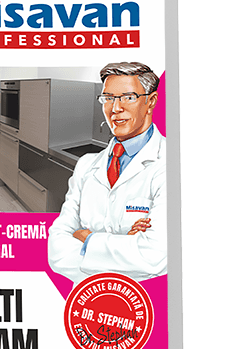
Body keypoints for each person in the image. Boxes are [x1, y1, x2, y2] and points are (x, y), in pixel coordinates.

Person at [47, 61, 167, 282]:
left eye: (128, 97)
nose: (115, 108)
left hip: (144, 297)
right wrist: (127, 245)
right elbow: (57, 250)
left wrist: (86, 238)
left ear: (150, 102)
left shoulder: (171, 164)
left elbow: (155, 256)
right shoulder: (86, 165)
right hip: (87, 296)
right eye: (108, 98)